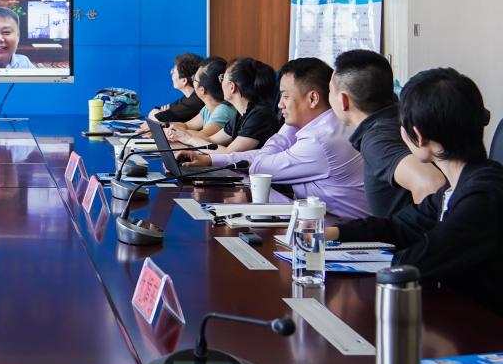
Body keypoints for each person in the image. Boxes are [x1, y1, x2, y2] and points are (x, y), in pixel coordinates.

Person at [327, 68, 503, 315]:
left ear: (417, 136)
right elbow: (398, 227)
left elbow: (419, 261)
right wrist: (332, 233)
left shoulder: (482, 195)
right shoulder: (457, 188)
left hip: (483, 327)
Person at [180, 58, 367, 219]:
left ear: (312, 99)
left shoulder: (319, 140)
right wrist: (210, 160)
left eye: (285, 96)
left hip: (336, 230)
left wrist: (285, 131)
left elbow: (260, 168)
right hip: (317, 216)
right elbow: (264, 158)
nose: (279, 104)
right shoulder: (325, 124)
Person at [330, 50, 446, 216]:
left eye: (330, 91)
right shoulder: (398, 119)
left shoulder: (377, 140)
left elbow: (431, 183)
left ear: (343, 100)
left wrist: (421, 232)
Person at [172, 57, 279, 153]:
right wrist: (181, 139)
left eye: (222, 78)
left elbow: (228, 153)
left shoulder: (259, 116)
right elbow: (211, 140)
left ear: (232, 87)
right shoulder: (241, 115)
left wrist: (189, 139)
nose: (220, 84)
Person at [162, 57, 237, 142]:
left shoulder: (224, 110)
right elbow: (187, 125)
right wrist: (165, 127)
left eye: (194, 79)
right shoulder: (207, 108)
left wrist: (171, 132)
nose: (192, 81)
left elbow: (202, 135)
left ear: (202, 90)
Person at [151, 53, 204, 123]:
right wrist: (157, 113)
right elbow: (158, 111)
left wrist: (155, 113)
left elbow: (159, 119)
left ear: (184, 81)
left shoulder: (195, 102)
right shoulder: (187, 97)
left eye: (174, 71)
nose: (171, 72)